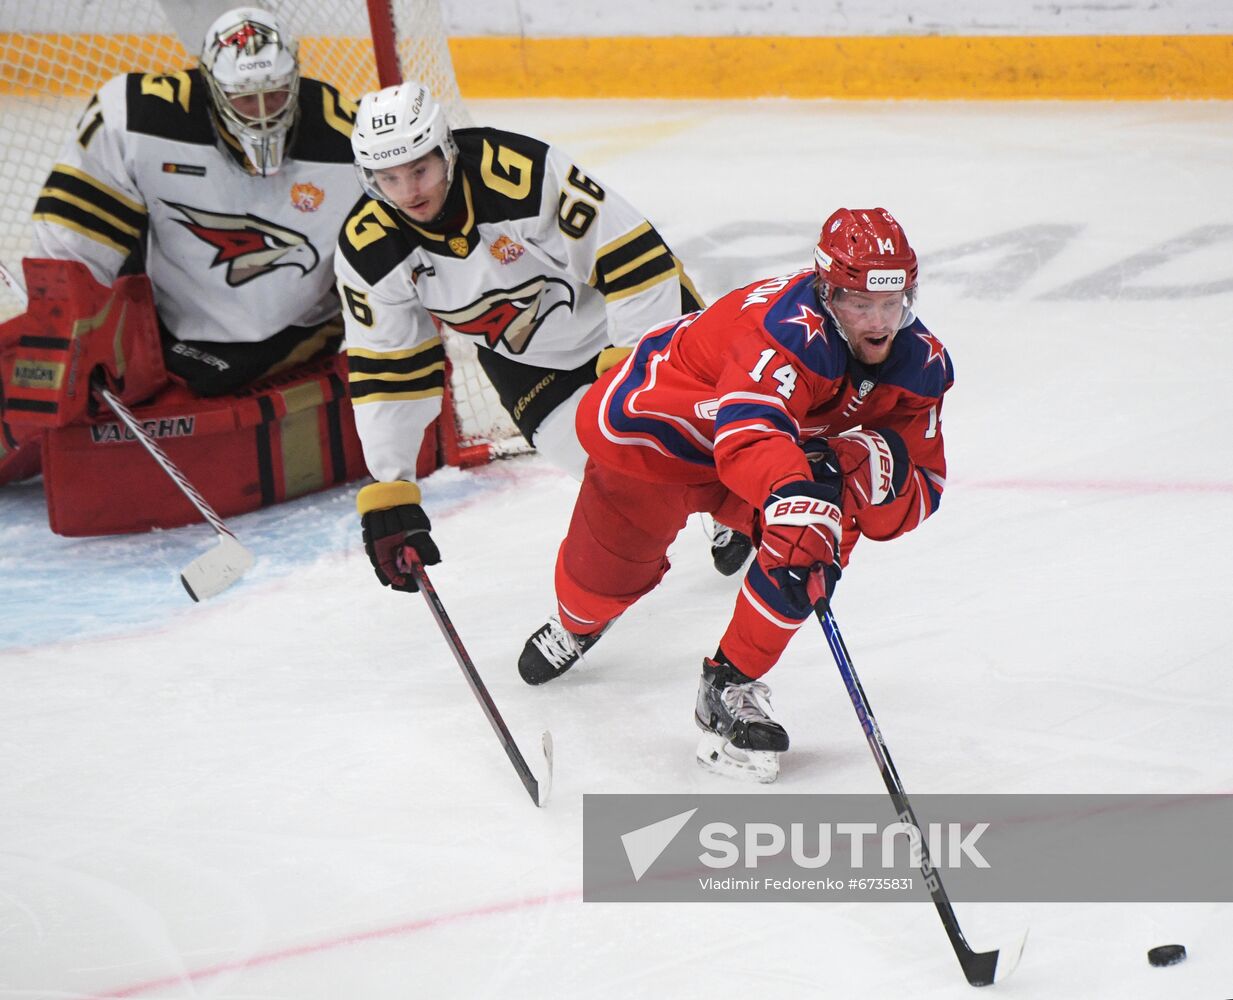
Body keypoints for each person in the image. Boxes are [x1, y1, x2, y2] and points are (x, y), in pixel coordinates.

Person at [517, 208, 953, 783]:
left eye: (891, 304)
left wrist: (860, 465)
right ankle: (578, 621)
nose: (878, 322)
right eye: (859, 304)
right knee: (600, 578)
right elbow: (749, 433)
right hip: (666, 435)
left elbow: (922, 488)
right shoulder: (786, 331)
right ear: (827, 293)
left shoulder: (920, 366)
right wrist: (799, 483)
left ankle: (730, 682)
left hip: (761, 452)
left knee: (813, 535)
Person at [335, 82, 753, 592]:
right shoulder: (368, 248)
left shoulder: (521, 175)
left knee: (698, 431)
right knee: (614, 475)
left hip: (626, 314)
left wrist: (635, 377)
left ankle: (735, 503)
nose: (409, 192)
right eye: (389, 179)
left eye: (420, 170)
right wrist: (392, 484)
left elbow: (631, 261)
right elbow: (389, 369)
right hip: (526, 360)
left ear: (446, 150)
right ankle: (603, 595)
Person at [28, 5, 360, 399]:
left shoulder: (351, 145)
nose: (262, 116)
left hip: (295, 341)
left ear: (295, 80)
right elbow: (71, 244)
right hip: (164, 327)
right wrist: (62, 326)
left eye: (274, 94)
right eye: (244, 99)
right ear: (211, 87)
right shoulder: (138, 121)